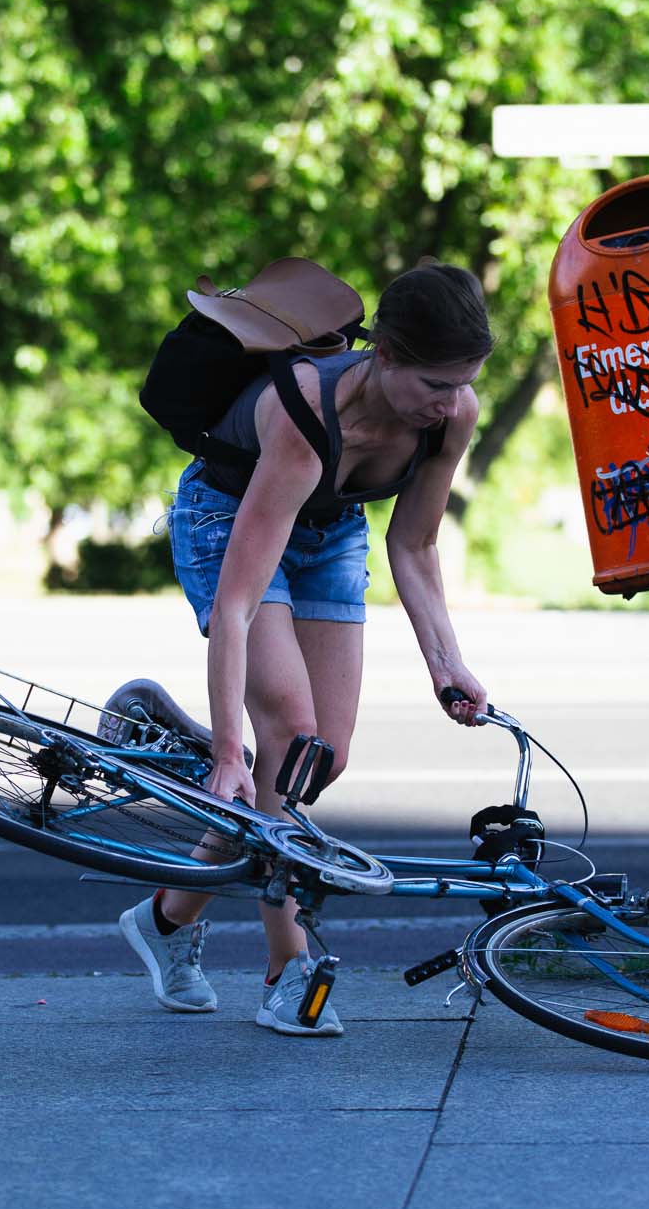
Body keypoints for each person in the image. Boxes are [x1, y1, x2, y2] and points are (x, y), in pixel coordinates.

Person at [118, 262, 495, 1037]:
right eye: (433, 383)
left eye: (462, 383)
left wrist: (446, 662)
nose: (448, 402)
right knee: (284, 740)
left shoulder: (454, 414)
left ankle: (166, 916)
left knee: (317, 758)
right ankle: (288, 967)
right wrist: (228, 746)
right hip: (227, 516)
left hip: (331, 536)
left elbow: (415, 543)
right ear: (384, 355)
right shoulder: (302, 415)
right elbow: (237, 600)